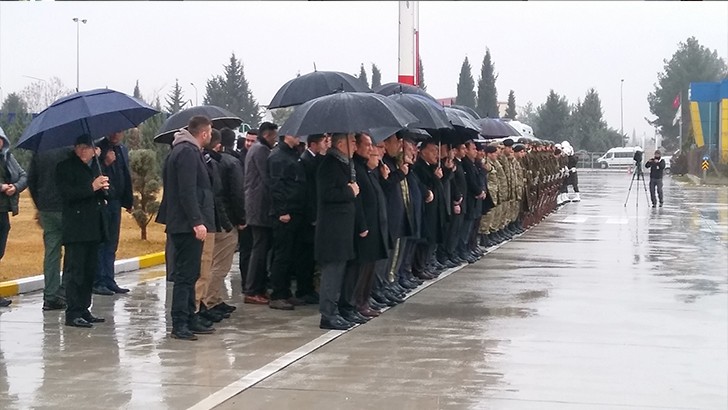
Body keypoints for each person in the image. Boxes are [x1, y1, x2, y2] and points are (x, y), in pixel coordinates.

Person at [156, 115, 216, 340]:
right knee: (184, 275)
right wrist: (196, 221)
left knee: (191, 273)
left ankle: (191, 317)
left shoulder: (186, 150)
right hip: (185, 225)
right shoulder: (187, 152)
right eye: (210, 132)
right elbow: (187, 190)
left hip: (184, 223)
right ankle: (180, 322)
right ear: (204, 133)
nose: (211, 135)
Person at [56, 134, 108, 327]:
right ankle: (73, 311)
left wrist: (103, 189)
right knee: (76, 271)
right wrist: (91, 187)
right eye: (87, 148)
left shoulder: (92, 167)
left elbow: (98, 194)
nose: (90, 152)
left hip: (93, 227)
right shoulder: (65, 167)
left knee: (89, 271)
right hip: (76, 228)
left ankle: (84, 308)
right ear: (78, 149)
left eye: (91, 149)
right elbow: (68, 194)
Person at [316, 132, 360, 330]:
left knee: (339, 271)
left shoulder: (345, 164)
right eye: (352, 141)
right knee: (332, 273)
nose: (355, 145)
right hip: (332, 229)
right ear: (341, 144)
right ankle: (328, 314)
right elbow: (326, 193)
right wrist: (350, 191)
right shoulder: (329, 164)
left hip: (343, 228)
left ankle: (336, 310)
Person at [28, 144, 73, 310]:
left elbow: (31, 180)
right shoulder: (70, 149)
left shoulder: (39, 150)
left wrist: (39, 205)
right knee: (73, 250)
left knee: (52, 253)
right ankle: (66, 291)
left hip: (46, 207)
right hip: (67, 207)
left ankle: (51, 295)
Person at [267, 132, 308, 310]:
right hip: (285, 213)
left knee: (292, 255)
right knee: (282, 255)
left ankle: (285, 292)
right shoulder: (277, 156)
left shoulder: (293, 154)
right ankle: (277, 294)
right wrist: (282, 210)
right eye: (296, 134)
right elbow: (276, 185)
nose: (299, 137)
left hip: (296, 210)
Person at [92, 131, 133, 296]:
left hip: (116, 201)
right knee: (102, 242)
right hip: (103, 201)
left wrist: (128, 201)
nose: (116, 135)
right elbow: (93, 172)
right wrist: (105, 161)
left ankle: (109, 279)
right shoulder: (98, 149)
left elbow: (125, 175)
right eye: (113, 132)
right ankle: (99, 280)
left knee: (112, 242)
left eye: (119, 132)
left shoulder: (122, 149)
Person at [243, 122, 278, 305]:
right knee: (259, 250)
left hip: (257, 206)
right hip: (259, 207)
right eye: (274, 136)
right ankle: (252, 290)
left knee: (261, 249)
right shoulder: (261, 150)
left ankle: (259, 288)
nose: (275, 140)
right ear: (266, 135)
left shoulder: (258, 149)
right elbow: (268, 177)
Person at [0, 127, 28, 308]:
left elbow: (24, 175)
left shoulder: (8, 157)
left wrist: (15, 187)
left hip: (3, 211)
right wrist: (1, 187)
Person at [236, 128, 257, 292]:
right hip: (244, 211)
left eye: (252, 141)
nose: (248, 143)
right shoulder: (239, 159)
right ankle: (246, 283)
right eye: (247, 140)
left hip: (256, 211)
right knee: (246, 250)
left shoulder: (260, 155)